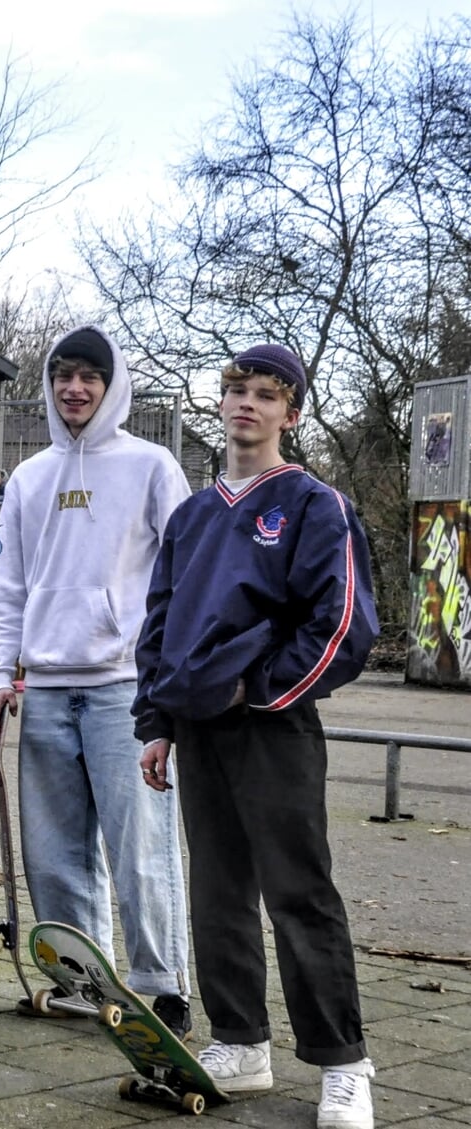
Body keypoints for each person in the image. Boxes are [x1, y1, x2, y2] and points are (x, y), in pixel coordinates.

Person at [136, 344, 379, 1129]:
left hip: (273, 729)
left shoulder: (312, 504)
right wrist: (158, 723)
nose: (246, 403)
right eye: (235, 389)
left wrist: (262, 687)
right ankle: (239, 1039)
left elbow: (341, 623)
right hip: (198, 729)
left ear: (291, 411)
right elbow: (161, 623)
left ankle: (343, 1062)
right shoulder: (193, 515)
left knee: (299, 893)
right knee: (217, 889)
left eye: (265, 394)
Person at [0, 326, 194, 1034]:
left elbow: (188, 575)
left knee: (140, 842)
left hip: (124, 688)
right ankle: (80, 978)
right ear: (50, 384)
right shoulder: (29, 477)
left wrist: (171, 679)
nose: (75, 389)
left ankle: (161, 982)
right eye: (64, 376)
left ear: (111, 386)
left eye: (89, 378)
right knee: (55, 847)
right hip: (44, 685)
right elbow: (7, 585)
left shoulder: (152, 466)